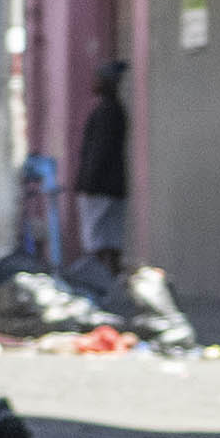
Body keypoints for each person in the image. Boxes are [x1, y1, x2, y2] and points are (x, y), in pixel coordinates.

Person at [73, 60, 129, 277]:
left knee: (96, 238)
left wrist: (88, 182)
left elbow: (99, 151)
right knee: (111, 238)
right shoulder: (116, 110)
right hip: (114, 186)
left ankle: (97, 282)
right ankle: (110, 281)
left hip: (99, 187)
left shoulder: (106, 112)